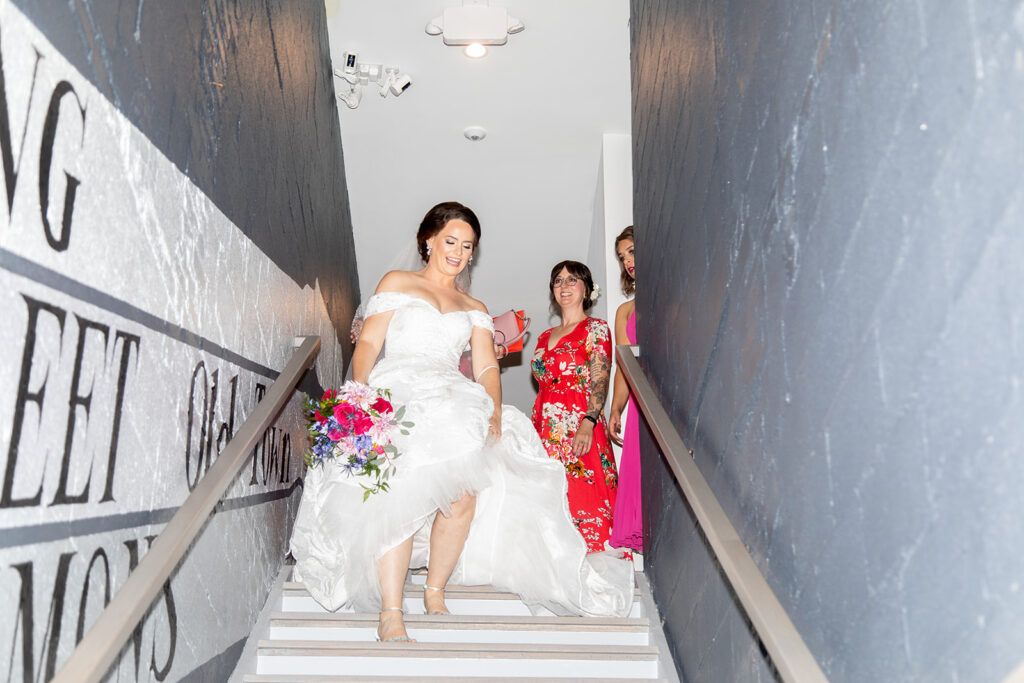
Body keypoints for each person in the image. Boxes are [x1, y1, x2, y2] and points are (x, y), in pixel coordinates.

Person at [290, 202, 633, 644]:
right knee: (399, 496)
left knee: (463, 496)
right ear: (429, 240)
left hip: (453, 399)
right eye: (450, 241)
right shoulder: (397, 283)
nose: (458, 251)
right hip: (397, 396)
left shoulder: (474, 306)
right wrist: (360, 395)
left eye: (467, 246)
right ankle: (391, 612)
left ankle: (435, 590)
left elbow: (489, 367)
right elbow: (370, 343)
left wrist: (493, 406)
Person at [530, 261, 619, 553]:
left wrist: (588, 422)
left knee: (585, 499)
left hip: (580, 426)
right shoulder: (543, 338)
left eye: (572, 280)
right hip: (545, 431)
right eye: (558, 281)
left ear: (586, 289)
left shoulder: (596, 329)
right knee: (551, 505)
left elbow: (600, 380)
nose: (564, 286)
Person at [608, 226, 642, 553]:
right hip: (639, 400)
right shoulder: (625, 311)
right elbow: (624, 364)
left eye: (631, 251)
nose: (627, 261)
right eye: (622, 257)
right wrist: (616, 408)